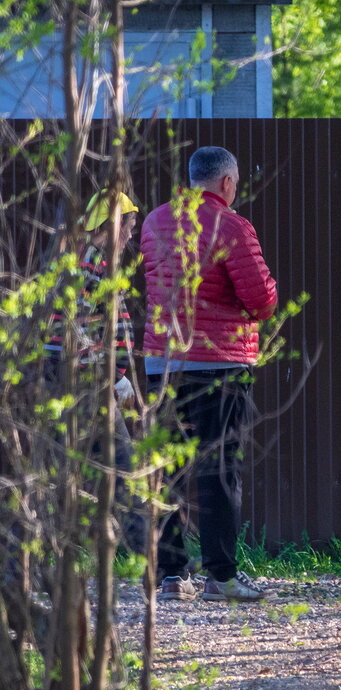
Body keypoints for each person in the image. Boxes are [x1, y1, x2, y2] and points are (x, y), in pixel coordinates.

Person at [140, 146, 277, 602]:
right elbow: (261, 300)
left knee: (168, 467)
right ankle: (221, 577)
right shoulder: (234, 226)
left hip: (163, 363)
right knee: (218, 468)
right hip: (219, 363)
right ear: (226, 183)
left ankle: (172, 577)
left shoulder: (155, 221)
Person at [45, 190, 146, 554]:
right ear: (113, 224)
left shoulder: (89, 258)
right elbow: (70, 325)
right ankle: (154, 563)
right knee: (123, 469)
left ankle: (52, 558)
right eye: (130, 226)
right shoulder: (90, 260)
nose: (132, 235)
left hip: (83, 379)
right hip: (86, 382)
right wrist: (111, 376)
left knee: (70, 472)